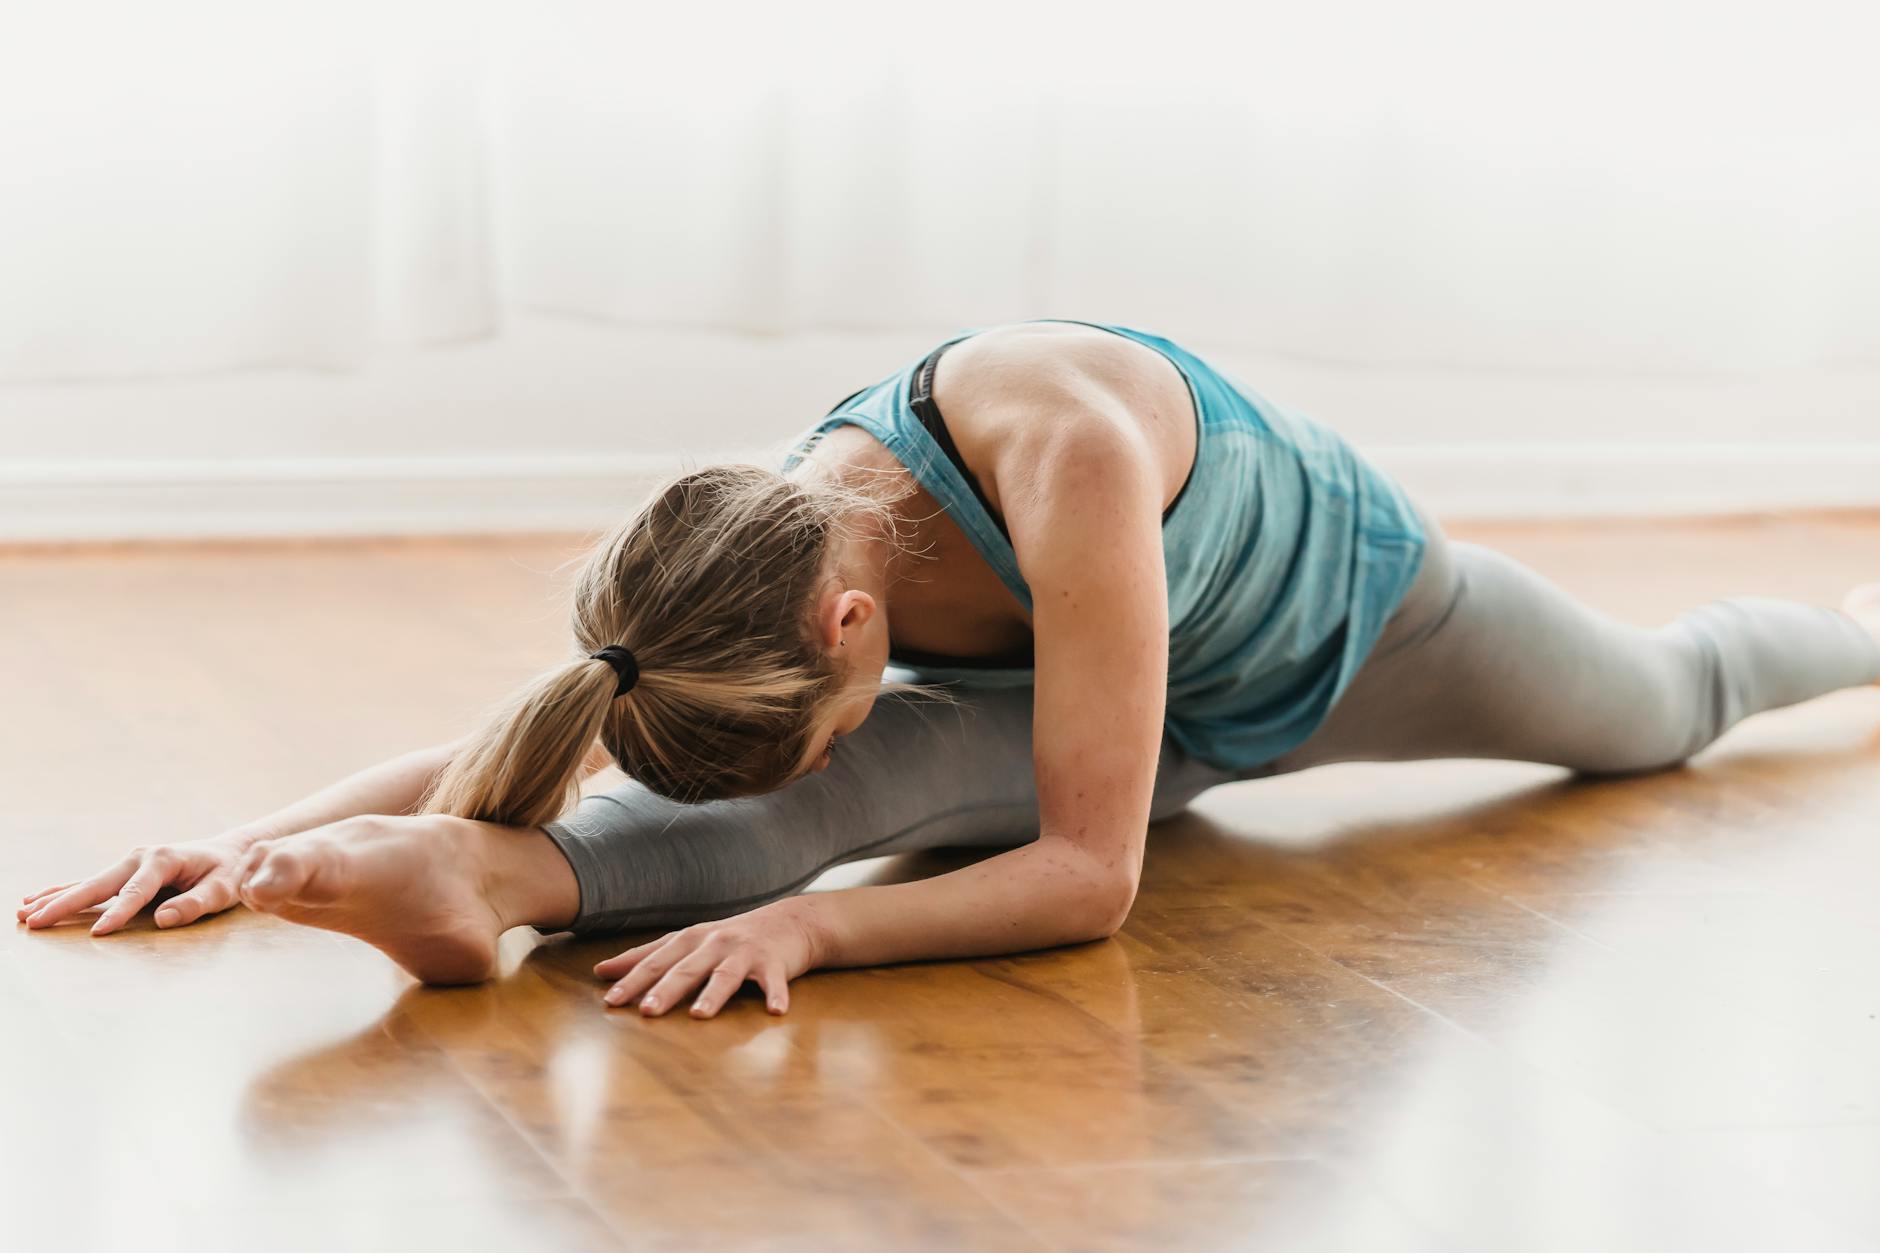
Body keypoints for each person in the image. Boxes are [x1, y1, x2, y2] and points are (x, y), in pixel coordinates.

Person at [19, 320, 1880, 1019]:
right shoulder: (738, 560)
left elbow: (1093, 876)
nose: (824, 733)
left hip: (1356, 640)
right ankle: (494, 885)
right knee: (854, 794)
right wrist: (229, 842)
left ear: (850, 628)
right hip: (1097, 710)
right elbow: (532, 721)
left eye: (820, 702)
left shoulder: (1061, 457)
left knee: (1663, 711)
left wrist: (810, 933)